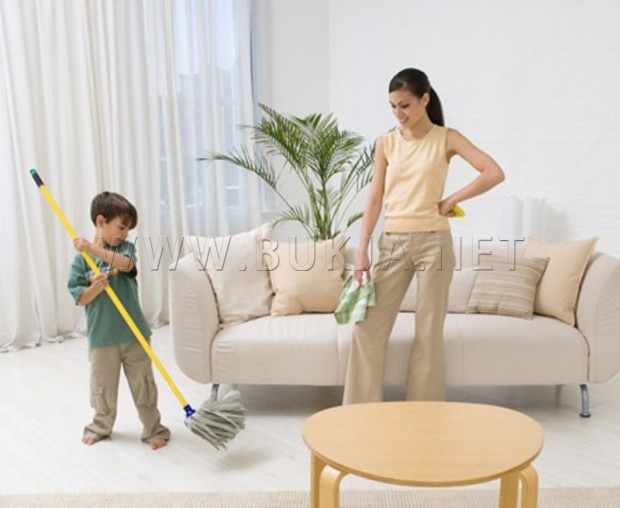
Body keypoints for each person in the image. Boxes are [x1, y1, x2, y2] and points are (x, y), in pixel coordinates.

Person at [343, 68, 505, 404]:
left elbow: (494, 172)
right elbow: (374, 199)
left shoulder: (447, 138)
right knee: (368, 327)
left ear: (425, 99)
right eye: (392, 107)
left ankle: (423, 413)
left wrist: (451, 200)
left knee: (429, 332)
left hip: (435, 242)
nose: (398, 114)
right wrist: (362, 251)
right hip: (393, 242)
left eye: (404, 105)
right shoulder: (386, 143)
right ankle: (358, 412)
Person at [67, 191, 170, 449]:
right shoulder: (81, 262)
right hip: (102, 338)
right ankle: (100, 426)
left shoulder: (124, 249)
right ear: (101, 222)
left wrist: (92, 248)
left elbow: (126, 265)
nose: (125, 234)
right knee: (102, 388)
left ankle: (153, 428)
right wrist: (94, 289)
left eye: (128, 229)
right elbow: (79, 297)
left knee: (144, 385)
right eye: (121, 227)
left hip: (134, 333)